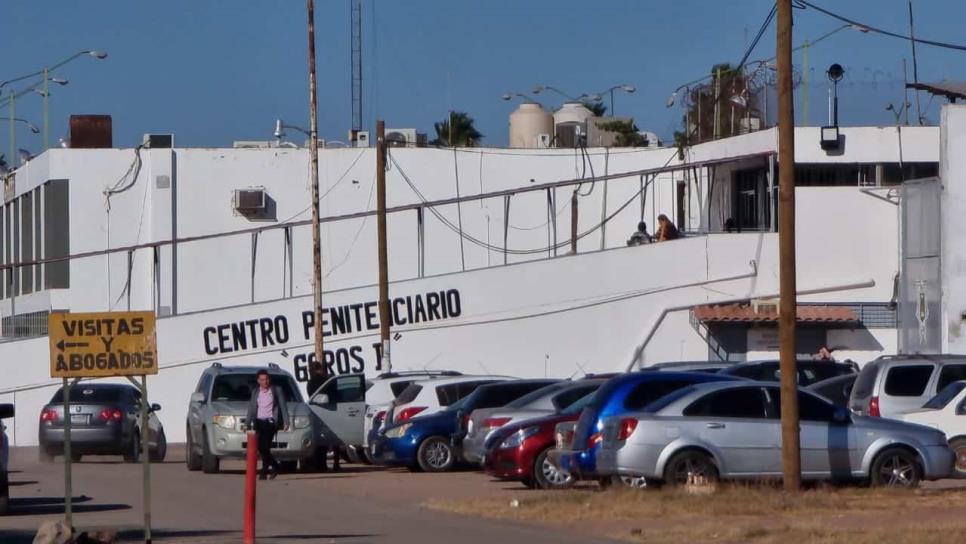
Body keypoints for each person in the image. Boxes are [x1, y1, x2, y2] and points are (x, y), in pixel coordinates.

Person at [246, 369, 290, 480]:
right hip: (258, 422)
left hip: (270, 422)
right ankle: (274, 466)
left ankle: (264, 471)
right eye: (262, 380)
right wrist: (247, 423)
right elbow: (251, 408)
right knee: (261, 448)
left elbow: (283, 406)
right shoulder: (256, 392)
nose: (265, 382)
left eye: (266, 379)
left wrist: (286, 422)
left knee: (265, 446)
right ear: (258, 381)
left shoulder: (276, 390)